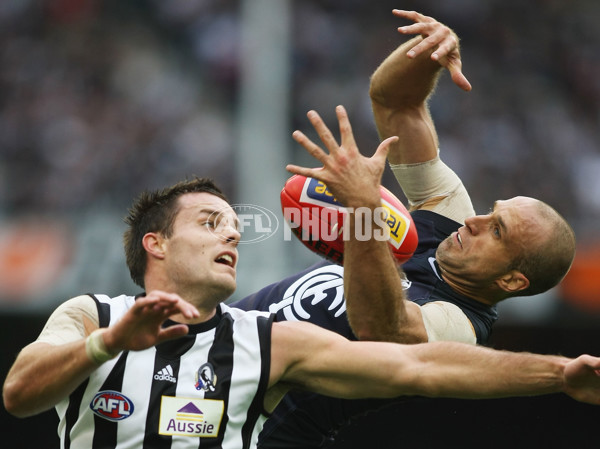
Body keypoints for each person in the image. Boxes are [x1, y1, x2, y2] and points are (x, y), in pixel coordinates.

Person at [3, 173, 600, 449]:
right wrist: (108, 344)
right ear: (155, 243)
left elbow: (420, 367)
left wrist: (558, 373)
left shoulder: (266, 341)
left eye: (235, 228)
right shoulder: (90, 312)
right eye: (210, 224)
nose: (230, 238)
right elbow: (19, 394)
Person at [231, 9, 577, 448]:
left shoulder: (459, 326)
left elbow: (384, 330)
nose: (474, 220)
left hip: (254, 432)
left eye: (497, 231)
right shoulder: (448, 220)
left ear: (511, 279)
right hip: (206, 361)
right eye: (491, 210)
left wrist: (364, 212)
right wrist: (428, 53)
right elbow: (396, 103)